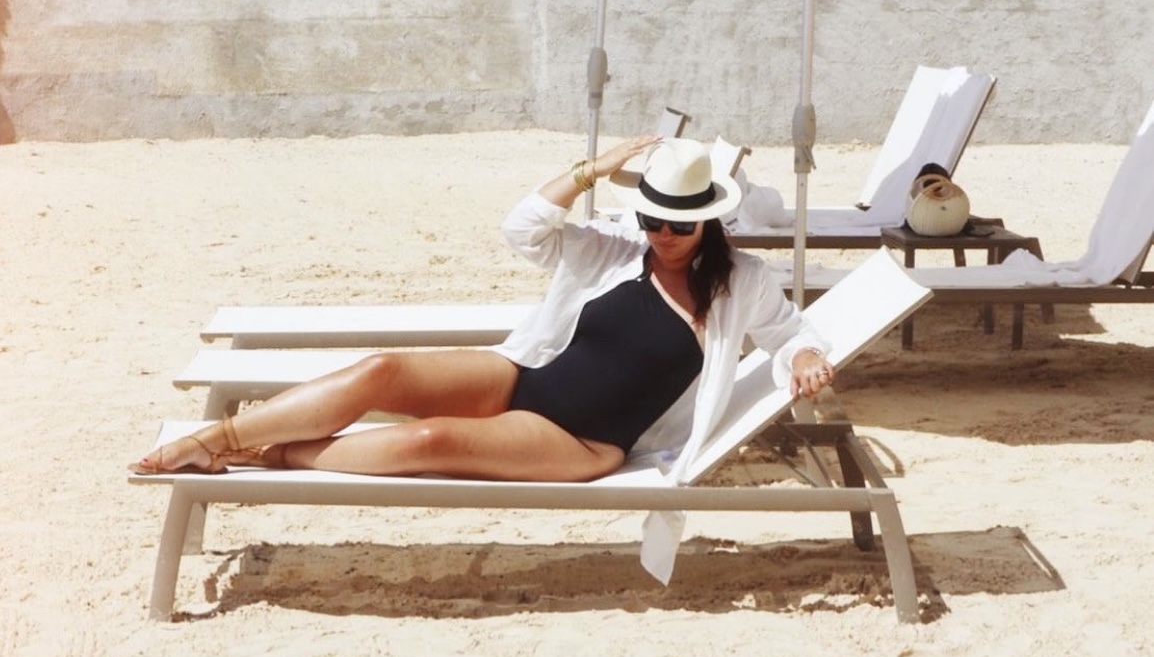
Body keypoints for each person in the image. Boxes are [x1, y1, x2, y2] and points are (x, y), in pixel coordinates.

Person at [130, 137, 835, 483]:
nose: (664, 234)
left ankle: (278, 452)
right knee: (382, 371)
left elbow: (791, 334)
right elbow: (523, 228)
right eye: (653, 218)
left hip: (582, 441)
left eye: (680, 224)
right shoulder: (614, 248)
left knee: (429, 442)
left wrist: (805, 357)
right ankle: (217, 439)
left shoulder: (742, 281)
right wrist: (591, 170)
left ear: (709, 221)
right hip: (519, 379)